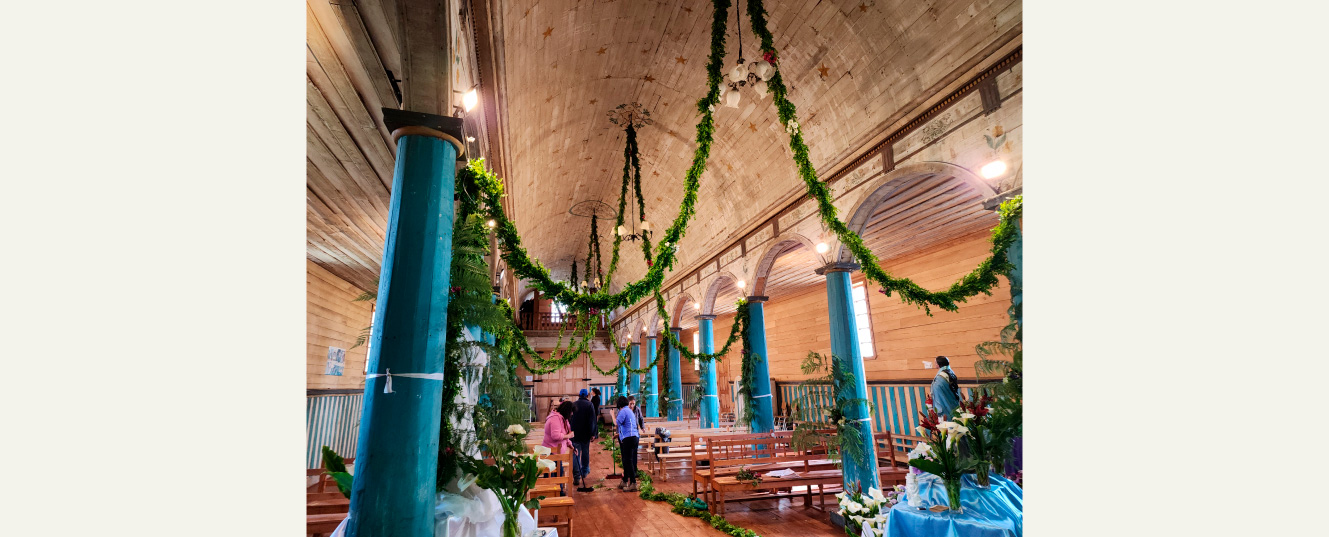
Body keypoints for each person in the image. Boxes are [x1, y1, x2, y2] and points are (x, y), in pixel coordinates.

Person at [569, 389, 596, 489]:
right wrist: (593, 433)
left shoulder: (574, 404)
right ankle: (584, 472)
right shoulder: (589, 405)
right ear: (587, 396)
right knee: (585, 452)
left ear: (579, 395)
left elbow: (570, 419)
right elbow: (592, 420)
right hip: (585, 434)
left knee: (575, 454)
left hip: (574, 434)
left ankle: (576, 477)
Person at [614, 395, 640, 492]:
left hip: (629, 438)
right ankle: (625, 481)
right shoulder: (629, 411)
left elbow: (617, 423)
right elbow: (627, 425)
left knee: (628, 461)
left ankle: (633, 483)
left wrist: (612, 415)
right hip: (634, 437)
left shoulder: (623, 411)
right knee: (626, 460)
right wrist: (618, 435)